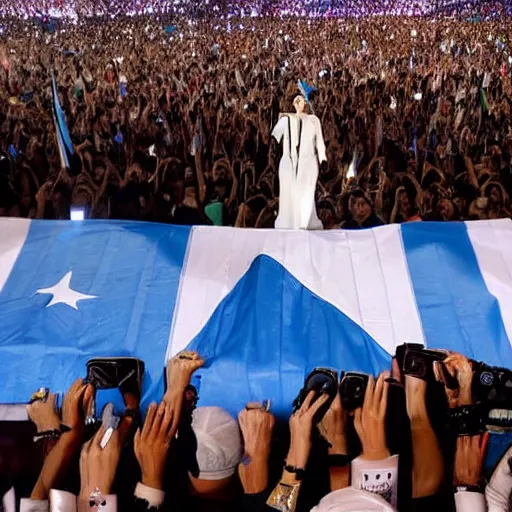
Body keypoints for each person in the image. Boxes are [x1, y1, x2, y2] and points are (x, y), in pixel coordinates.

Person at [271, 95, 326, 230]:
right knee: (288, 194)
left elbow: (319, 140)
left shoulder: (313, 121)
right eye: (296, 101)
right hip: (289, 161)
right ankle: (288, 221)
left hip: (308, 161)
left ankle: (306, 222)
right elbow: (274, 138)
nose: (298, 103)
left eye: (301, 100)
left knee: (306, 193)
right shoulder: (285, 120)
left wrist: (323, 158)